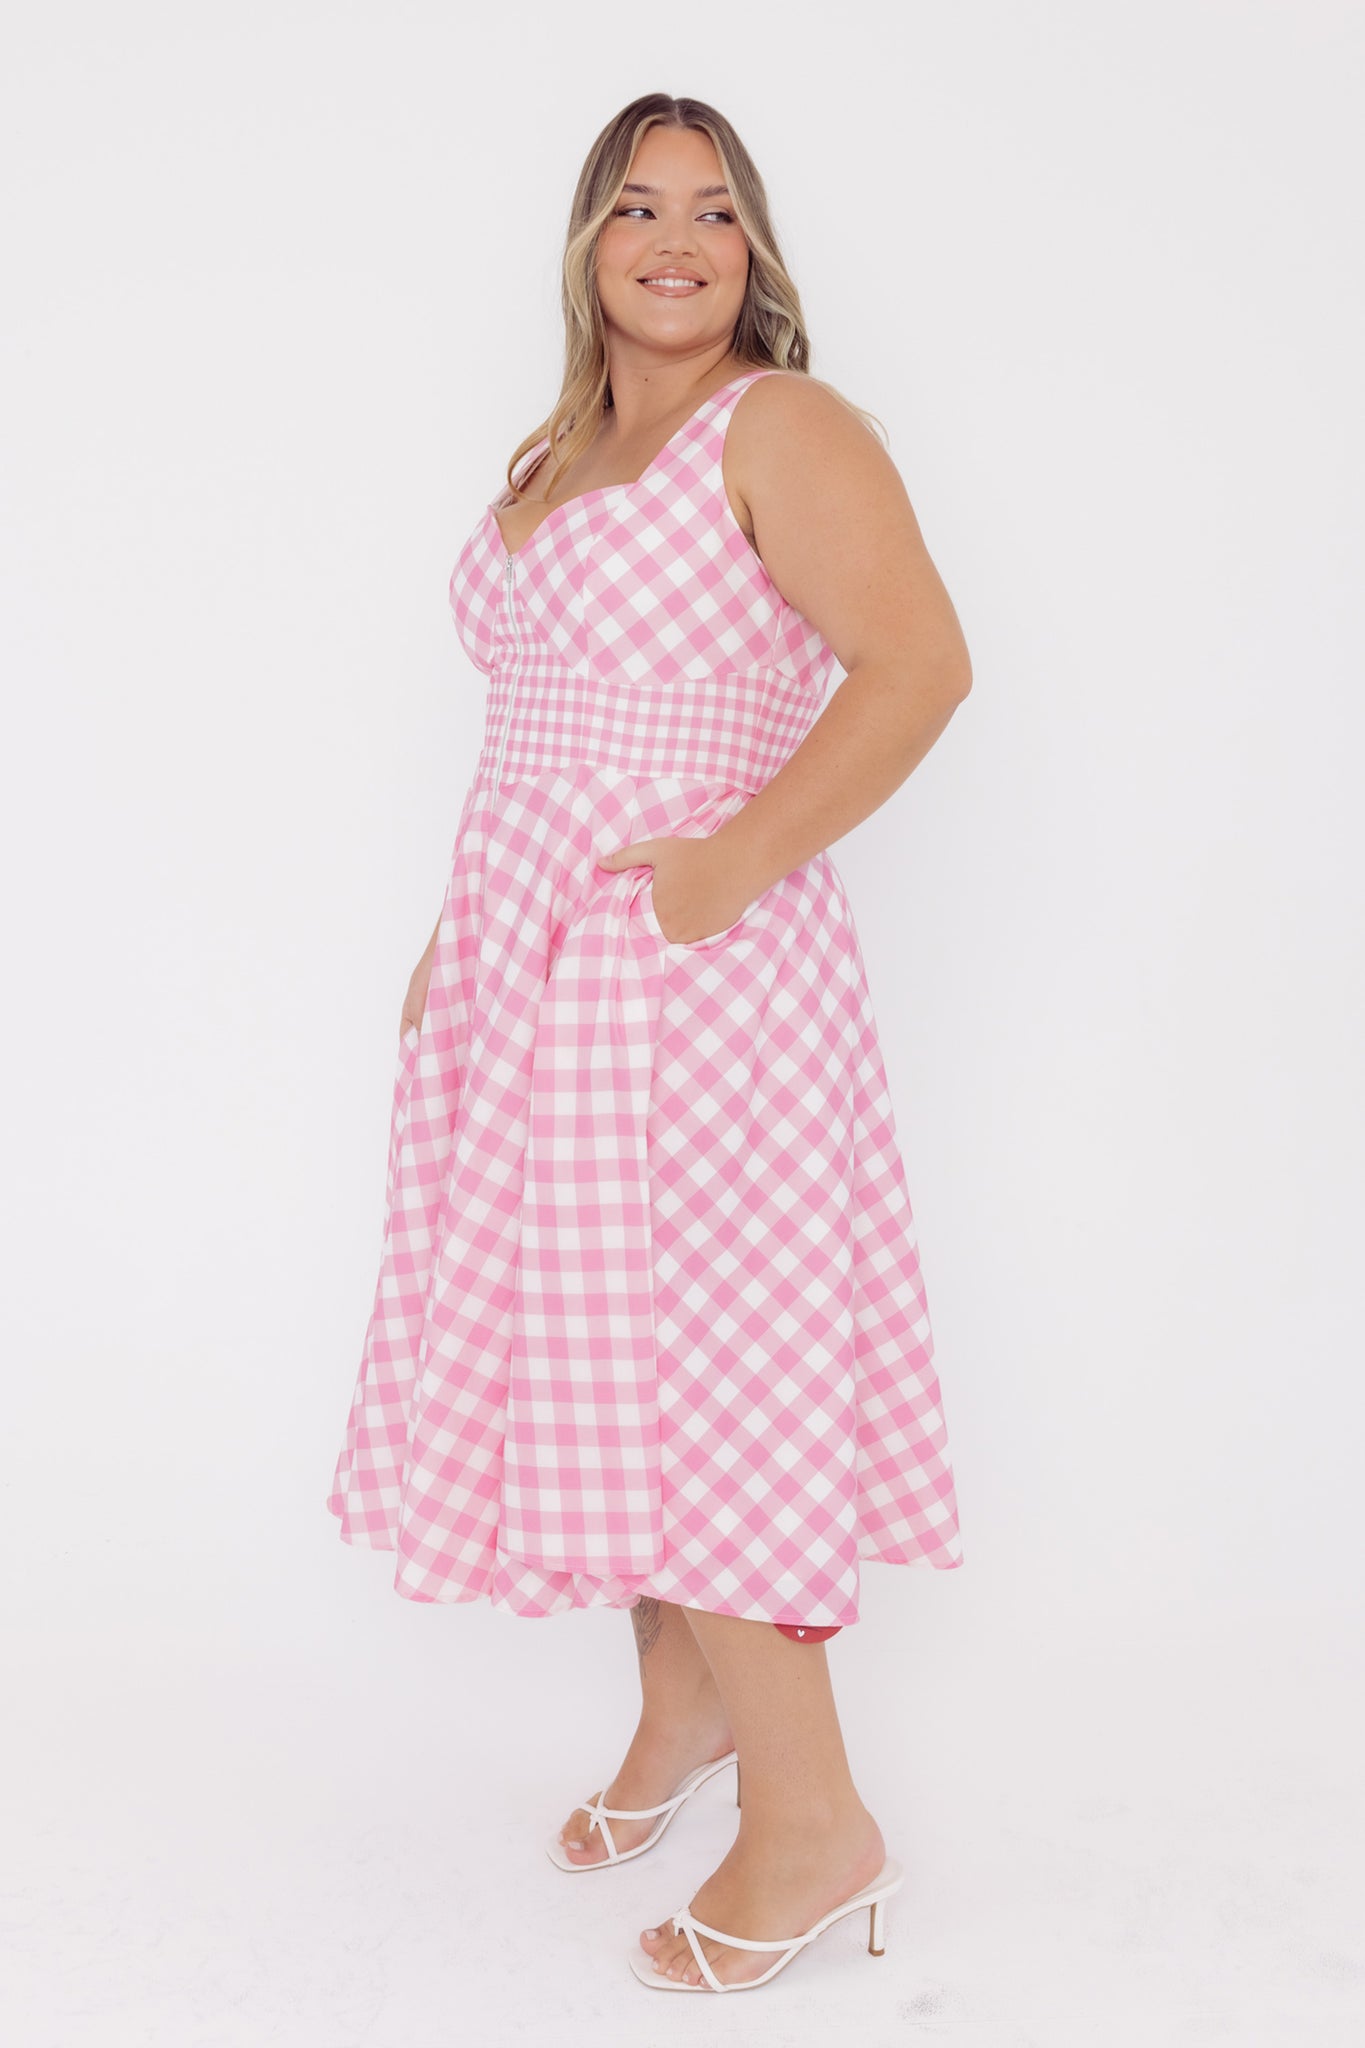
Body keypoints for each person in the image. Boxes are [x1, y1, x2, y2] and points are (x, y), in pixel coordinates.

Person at [326, 91, 973, 1994]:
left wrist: (720, 874)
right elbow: (538, 722)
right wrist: (464, 936)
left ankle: (816, 1827)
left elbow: (920, 665)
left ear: (754, 250)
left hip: (689, 980)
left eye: (711, 210)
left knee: (706, 1385)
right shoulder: (564, 448)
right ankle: (688, 1723)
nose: (674, 240)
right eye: (634, 208)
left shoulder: (782, 427)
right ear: (588, 248)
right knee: (596, 1362)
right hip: (539, 976)